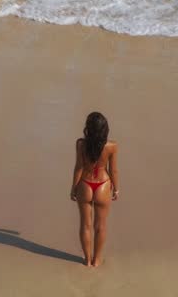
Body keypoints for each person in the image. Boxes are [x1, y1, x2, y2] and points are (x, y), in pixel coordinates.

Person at [70, 111, 119, 267]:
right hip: (103, 185)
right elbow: (114, 170)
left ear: (88, 128)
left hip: (85, 184)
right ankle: (97, 260)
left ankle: (87, 261)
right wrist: (116, 189)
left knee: (85, 225)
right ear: (105, 129)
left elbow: (78, 168)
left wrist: (73, 188)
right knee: (101, 225)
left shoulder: (80, 144)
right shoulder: (111, 146)